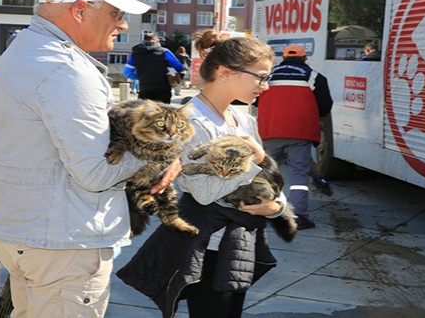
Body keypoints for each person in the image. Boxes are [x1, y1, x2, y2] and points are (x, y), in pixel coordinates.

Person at [0, 0, 181, 317]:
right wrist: (160, 158)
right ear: (79, 10)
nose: (121, 25)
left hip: (25, 230)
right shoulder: (66, 69)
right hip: (62, 241)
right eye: (117, 14)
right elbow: (95, 173)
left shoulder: (25, 50)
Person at [116, 29, 288, 318]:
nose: (265, 86)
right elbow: (204, 192)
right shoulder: (191, 121)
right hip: (208, 247)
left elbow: (268, 177)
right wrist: (256, 161)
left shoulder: (243, 119)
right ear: (225, 72)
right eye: (260, 76)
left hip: (242, 242)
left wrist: (276, 205)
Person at [256, 45, 333, 230]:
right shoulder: (314, 77)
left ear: (283, 58)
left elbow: (256, 100)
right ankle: (299, 216)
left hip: (271, 130)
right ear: (305, 58)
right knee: (298, 174)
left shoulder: (268, 75)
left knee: (268, 173)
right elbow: (325, 107)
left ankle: (266, 212)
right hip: (300, 132)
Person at [131, 33, 183, 103]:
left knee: (144, 112)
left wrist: (140, 77)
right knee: (162, 112)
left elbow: (127, 71)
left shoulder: (136, 52)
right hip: (163, 89)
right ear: (157, 41)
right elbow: (179, 67)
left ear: (143, 41)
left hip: (144, 89)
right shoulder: (164, 51)